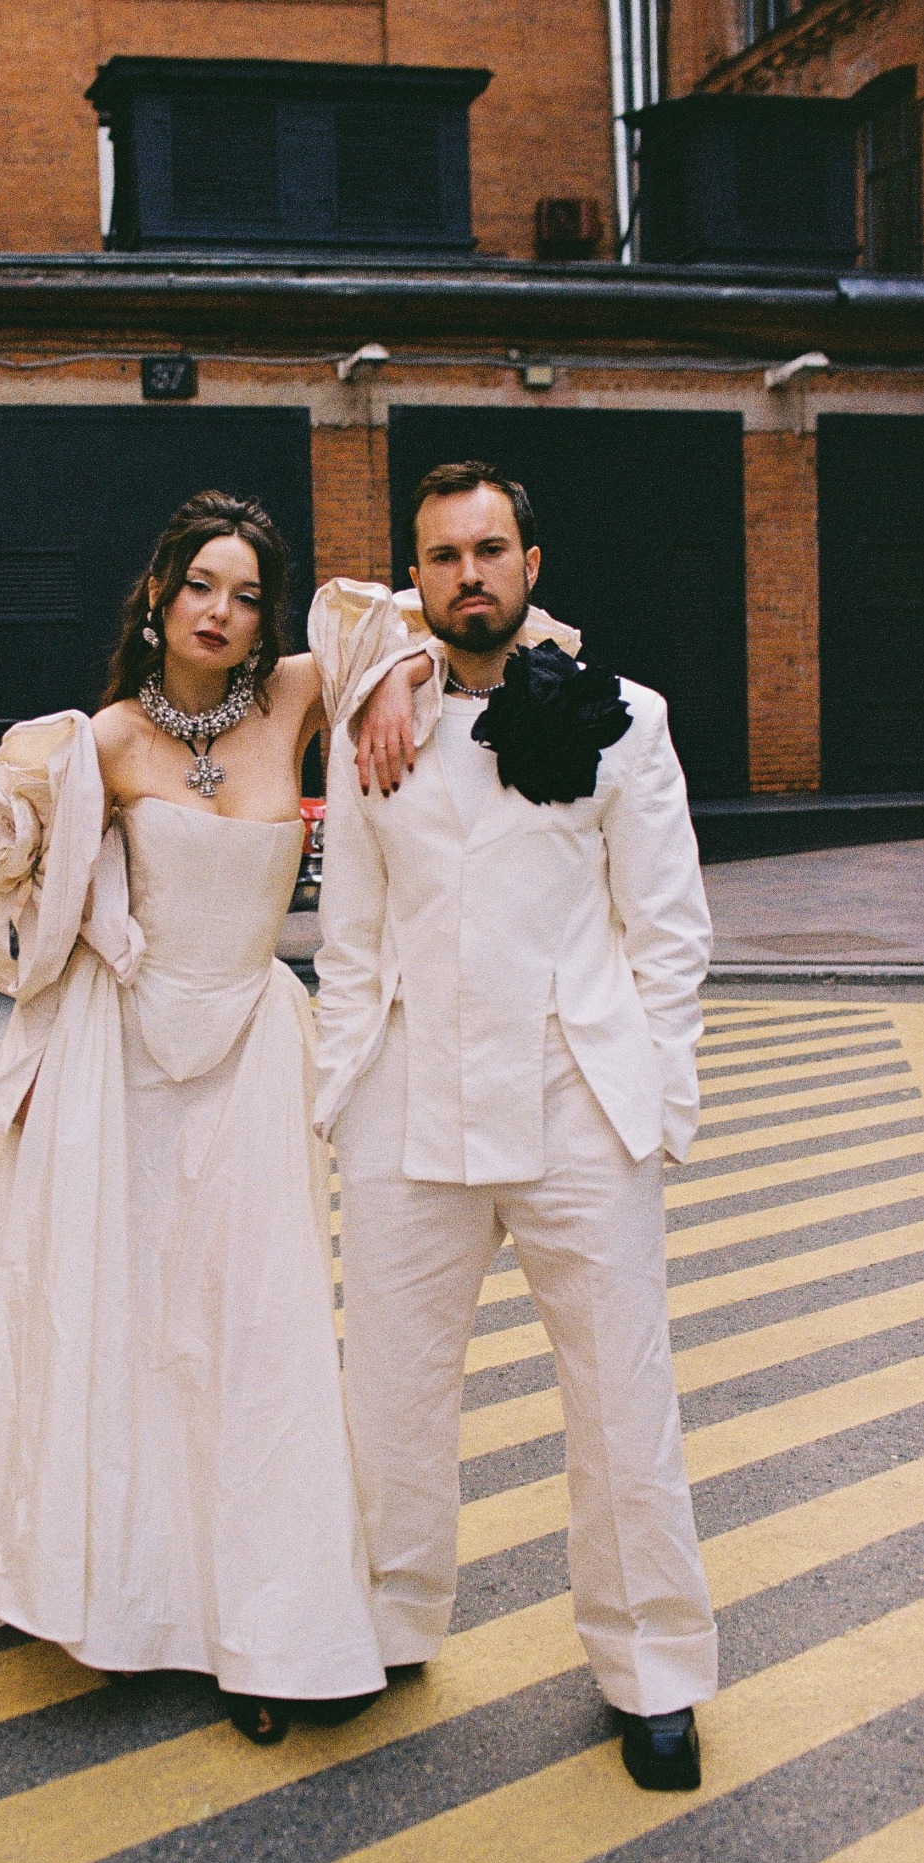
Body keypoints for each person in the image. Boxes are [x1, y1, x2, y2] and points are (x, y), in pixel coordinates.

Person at [0, 490, 425, 1747]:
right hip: (124, 1062)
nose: (221, 612)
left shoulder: (296, 695)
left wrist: (396, 686)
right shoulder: (97, 741)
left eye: (246, 594)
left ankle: (268, 1624)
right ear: (158, 594)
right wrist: (52, 878)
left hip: (252, 1053)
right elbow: (0, 912)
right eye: (200, 584)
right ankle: (129, 1595)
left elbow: (422, 619)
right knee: (132, 1330)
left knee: (256, 1337)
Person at [310, 461, 718, 1791]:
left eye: (490, 550)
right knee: (390, 1391)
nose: (468, 575)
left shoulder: (625, 719)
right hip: (408, 1099)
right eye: (442, 557)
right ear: (416, 579)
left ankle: (653, 1672)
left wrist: (658, 1097)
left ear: (531, 568)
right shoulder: (374, 725)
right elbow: (350, 936)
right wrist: (339, 1092)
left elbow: (668, 929)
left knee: (621, 1400)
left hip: (575, 1101)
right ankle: (388, 1622)